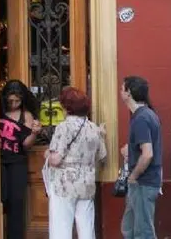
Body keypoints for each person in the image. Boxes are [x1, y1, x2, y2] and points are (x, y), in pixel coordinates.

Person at [46, 87, 107, 239]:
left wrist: (47, 154)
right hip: (86, 183)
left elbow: (55, 160)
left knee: (61, 225)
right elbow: (103, 156)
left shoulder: (64, 127)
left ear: (66, 107)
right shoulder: (93, 128)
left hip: (64, 184)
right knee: (86, 225)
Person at [120, 76, 162, 239]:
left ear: (129, 92)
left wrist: (133, 176)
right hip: (144, 182)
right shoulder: (146, 115)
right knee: (130, 228)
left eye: (122, 88)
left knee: (142, 231)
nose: (120, 92)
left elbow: (148, 153)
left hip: (143, 183)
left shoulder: (141, 118)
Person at [0, 80, 41, 239]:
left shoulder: (26, 115)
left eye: (17, 101)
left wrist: (34, 133)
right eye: (10, 101)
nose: (14, 104)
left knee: (16, 202)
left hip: (17, 163)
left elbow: (25, 145)